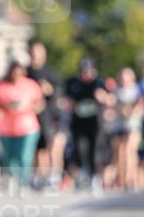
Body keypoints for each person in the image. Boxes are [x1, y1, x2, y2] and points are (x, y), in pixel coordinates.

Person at [0, 59, 44, 188]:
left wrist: (31, 107)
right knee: (9, 157)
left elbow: (40, 103)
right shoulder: (1, 87)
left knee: (24, 156)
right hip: (7, 129)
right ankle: (12, 179)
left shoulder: (30, 85)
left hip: (27, 127)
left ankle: (24, 183)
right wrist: (6, 106)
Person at [65, 58, 111, 192]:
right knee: (79, 148)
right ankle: (82, 174)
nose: (86, 74)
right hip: (78, 123)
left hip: (95, 124)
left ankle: (94, 177)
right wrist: (68, 103)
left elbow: (109, 99)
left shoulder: (99, 83)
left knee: (94, 150)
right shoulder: (73, 83)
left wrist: (102, 97)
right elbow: (66, 100)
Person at [26, 41, 65, 187]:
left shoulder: (51, 73)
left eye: (38, 53)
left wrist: (49, 91)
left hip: (51, 116)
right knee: (38, 149)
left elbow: (59, 95)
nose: (35, 57)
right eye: (33, 53)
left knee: (53, 145)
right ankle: (39, 177)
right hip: (32, 117)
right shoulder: (25, 73)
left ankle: (54, 176)